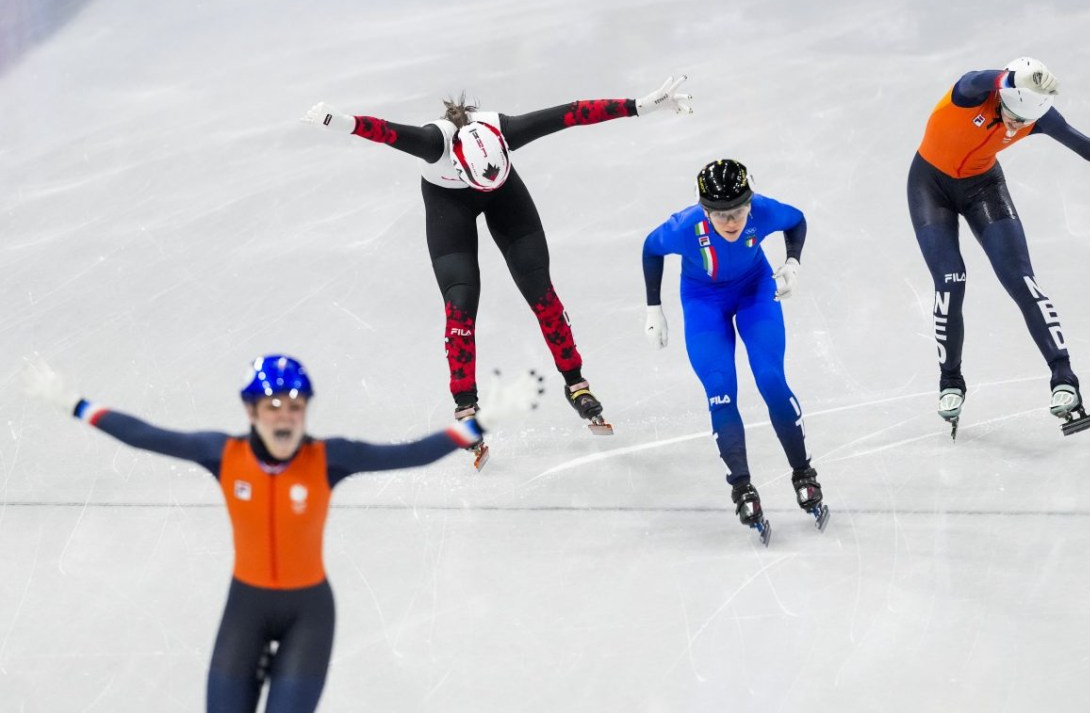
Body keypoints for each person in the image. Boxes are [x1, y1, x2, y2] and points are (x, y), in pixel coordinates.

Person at [21, 354, 542, 713]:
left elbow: (408, 454)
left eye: (295, 406)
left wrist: (482, 422)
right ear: (252, 411)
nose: (286, 417)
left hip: (307, 615)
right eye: (274, 407)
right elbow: (146, 436)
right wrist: (74, 403)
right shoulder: (221, 455)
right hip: (245, 607)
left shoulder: (328, 458)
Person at [300, 77, 692, 439]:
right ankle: (464, 404)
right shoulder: (431, 143)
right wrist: (336, 120)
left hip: (506, 198)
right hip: (447, 205)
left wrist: (640, 105)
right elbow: (382, 131)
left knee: (540, 288)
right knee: (460, 301)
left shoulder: (504, 130)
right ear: (458, 164)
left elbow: (571, 114)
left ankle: (577, 383)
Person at [910, 57, 1090, 436]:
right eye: (1011, 116)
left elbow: (1088, 148)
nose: (1014, 126)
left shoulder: (1039, 116)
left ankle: (1063, 376)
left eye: (1022, 124)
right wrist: (1010, 77)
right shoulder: (972, 94)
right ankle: (950, 381)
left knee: (1021, 280)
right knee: (950, 281)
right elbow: (973, 78)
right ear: (1002, 96)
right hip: (930, 188)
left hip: (983, 188)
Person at [640, 159, 828, 545]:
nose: (732, 222)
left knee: (772, 381)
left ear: (750, 202)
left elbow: (797, 220)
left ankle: (803, 472)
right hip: (703, 302)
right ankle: (741, 486)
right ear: (705, 210)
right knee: (720, 391)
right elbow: (650, 248)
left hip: (755, 291)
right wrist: (653, 306)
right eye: (721, 214)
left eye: (739, 211)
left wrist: (793, 261)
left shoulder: (762, 211)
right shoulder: (684, 227)